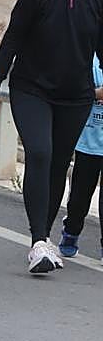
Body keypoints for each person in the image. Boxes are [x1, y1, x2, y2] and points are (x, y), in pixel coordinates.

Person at [0, 0, 103, 274]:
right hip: (31, 89)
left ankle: (45, 236)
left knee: (57, 162)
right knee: (40, 152)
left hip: (76, 95)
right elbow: (13, 40)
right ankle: (38, 241)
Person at [59, 59, 103, 262]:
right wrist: (97, 94)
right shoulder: (89, 57)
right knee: (80, 196)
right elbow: (74, 91)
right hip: (89, 142)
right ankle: (71, 231)